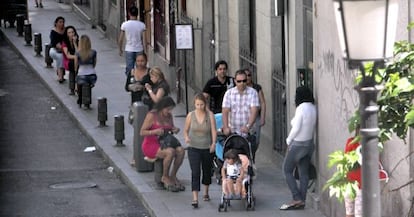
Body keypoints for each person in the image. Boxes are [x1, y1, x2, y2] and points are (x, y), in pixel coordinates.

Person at [280, 86, 317, 211]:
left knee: (287, 170)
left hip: (298, 143)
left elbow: (296, 128)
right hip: (309, 143)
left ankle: (297, 197)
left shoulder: (301, 108)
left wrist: (288, 141)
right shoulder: (313, 107)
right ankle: (302, 200)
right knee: (303, 172)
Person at [140, 96, 185, 192]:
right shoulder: (152, 115)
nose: (169, 112)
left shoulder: (169, 116)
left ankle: (173, 176)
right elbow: (142, 132)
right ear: (162, 107)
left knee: (181, 151)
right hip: (151, 144)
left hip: (164, 142)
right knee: (170, 152)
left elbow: (170, 128)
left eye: (171, 110)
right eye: (168, 109)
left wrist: (174, 129)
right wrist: (154, 131)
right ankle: (165, 176)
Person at [183, 93, 217, 208]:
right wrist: (186, 137)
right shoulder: (190, 115)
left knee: (206, 171)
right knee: (195, 172)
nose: (199, 107)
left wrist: (213, 143)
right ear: (194, 104)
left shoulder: (210, 115)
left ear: (205, 104)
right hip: (193, 147)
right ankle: (195, 198)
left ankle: (206, 192)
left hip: (206, 147)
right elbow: (186, 130)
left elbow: (213, 130)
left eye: (201, 104)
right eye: (197, 104)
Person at [221, 69, 259, 155]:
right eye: (239, 81)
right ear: (235, 81)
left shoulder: (253, 93)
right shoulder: (229, 93)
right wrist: (226, 127)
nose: (242, 83)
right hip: (233, 133)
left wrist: (248, 126)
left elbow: (254, 110)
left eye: (244, 81)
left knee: (249, 159)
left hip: (248, 133)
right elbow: (225, 111)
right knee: (230, 158)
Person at [118, 5, 146, 76]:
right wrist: (145, 51)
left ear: (129, 14)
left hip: (129, 49)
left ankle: (130, 82)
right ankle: (139, 82)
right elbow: (144, 39)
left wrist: (120, 49)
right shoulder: (142, 25)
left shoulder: (125, 25)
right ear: (137, 14)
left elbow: (120, 38)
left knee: (130, 69)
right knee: (140, 68)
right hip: (139, 49)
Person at [245, 68, 266, 155]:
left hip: (256, 117)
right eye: (245, 75)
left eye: (249, 75)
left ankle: (252, 155)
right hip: (245, 117)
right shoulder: (241, 88)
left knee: (256, 140)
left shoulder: (257, 88)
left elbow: (263, 102)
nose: (247, 77)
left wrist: (262, 118)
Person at [74, 35, 97, 109]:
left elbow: (76, 64)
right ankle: (87, 102)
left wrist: (76, 71)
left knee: (79, 84)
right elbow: (94, 64)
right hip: (92, 75)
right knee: (89, 86)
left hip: (82, 74)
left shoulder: (78, 53)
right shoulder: (93, 52)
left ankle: (80, 99)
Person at [62, 26, 79, 95]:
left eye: (72, 32)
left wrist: (75, 43)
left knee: (79, 66)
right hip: (68, 61)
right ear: (66, 34)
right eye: (69, 33)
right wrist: (75, 57)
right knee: (73, 67)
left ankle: (77, 87)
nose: (71, 34)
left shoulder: (78, 41)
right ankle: (72, 88)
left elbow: (79, 53)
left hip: (77, 60)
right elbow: (67, 55)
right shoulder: (64, 43)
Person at [49, 16, 66, 83]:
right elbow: (55, 43)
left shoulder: (66, 31)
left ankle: (62, 73)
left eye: (63, 22)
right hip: (54, 50)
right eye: (60, 22)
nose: (61, 23)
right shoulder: (53, 32)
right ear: (56, 23)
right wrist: (64, 49)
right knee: (60, 56)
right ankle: (60, 76)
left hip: (65, 50)